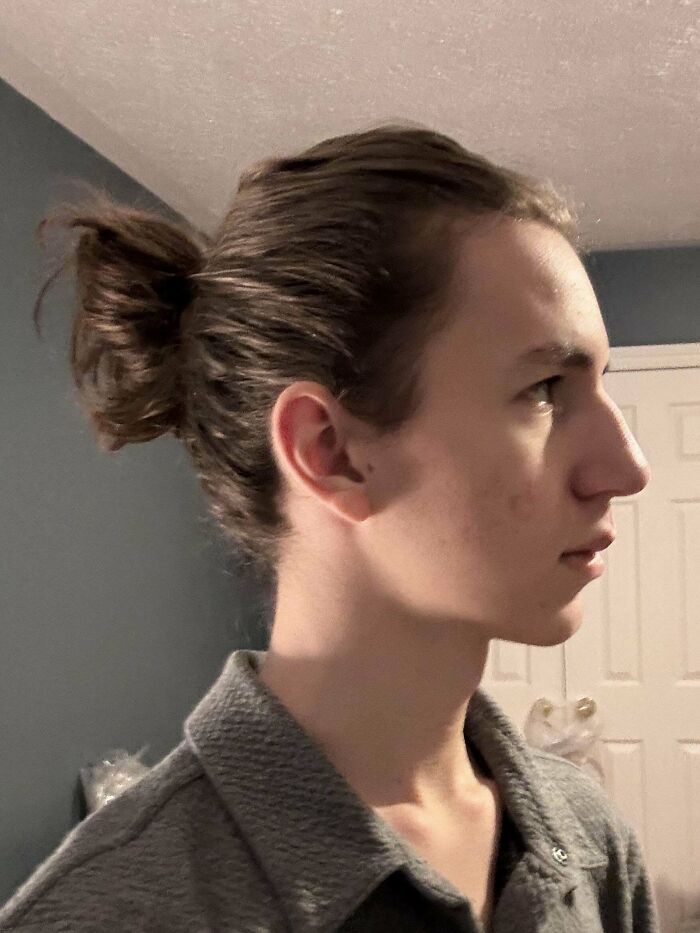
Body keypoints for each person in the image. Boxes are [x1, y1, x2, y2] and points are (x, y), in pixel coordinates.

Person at [0, 124, 658, 933]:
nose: (627, 468)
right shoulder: (111, 913)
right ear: (330, 451)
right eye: (546, 389)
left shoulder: (587, 837)